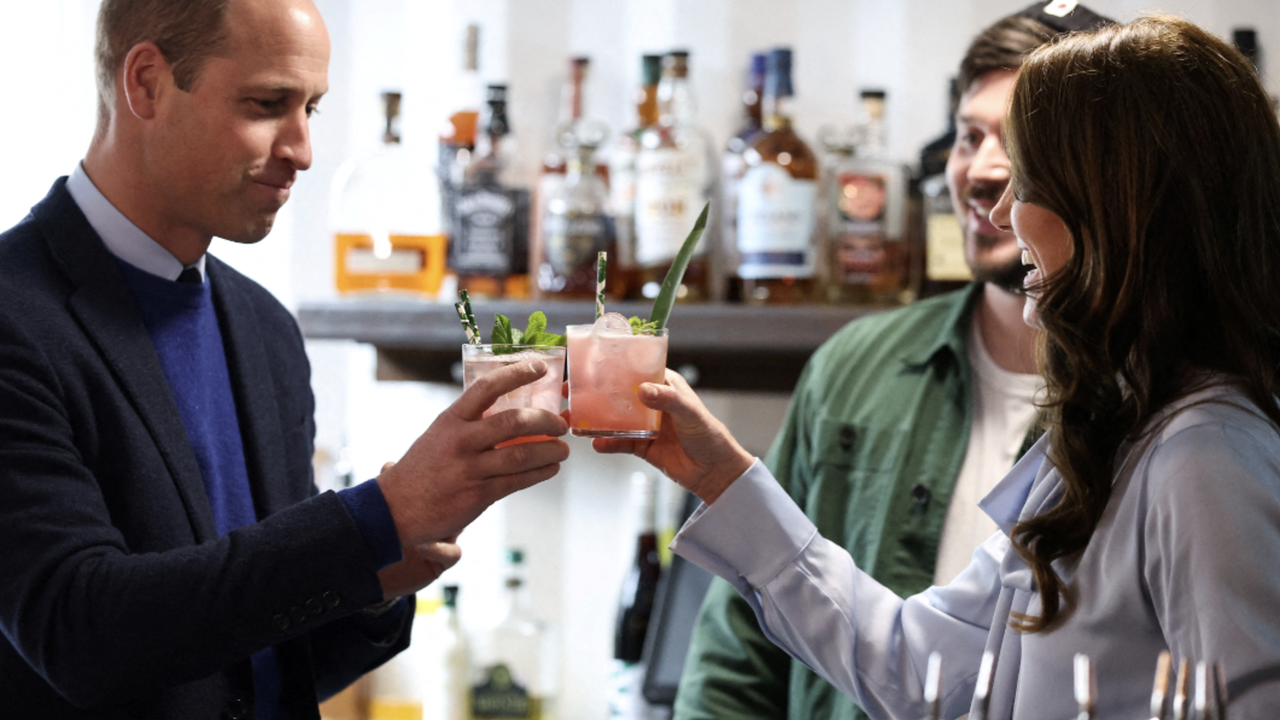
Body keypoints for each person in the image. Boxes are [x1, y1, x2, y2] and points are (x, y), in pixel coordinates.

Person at [600, 14, 1280, 719]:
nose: (1006, 207)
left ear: (1123, 205)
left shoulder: (1208, 457)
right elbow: (923, 666)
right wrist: (721, 478)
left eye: (1033, 175)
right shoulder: (1109, 432)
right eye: (972, 140)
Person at [0, 1, 569, 718]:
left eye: (312, 110)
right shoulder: (15, 317)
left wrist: (379, 577)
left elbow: (265, 668)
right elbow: (81, 635)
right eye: (268, 104)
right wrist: (374, 517)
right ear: (144, 82)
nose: (301, 148)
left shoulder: (265, 329)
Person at [673, 4, 1110, 719]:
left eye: (1020, 138)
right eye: (970, 136)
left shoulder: (1142, 400)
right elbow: (739, 649)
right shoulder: (856, 365)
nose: (983, 168)